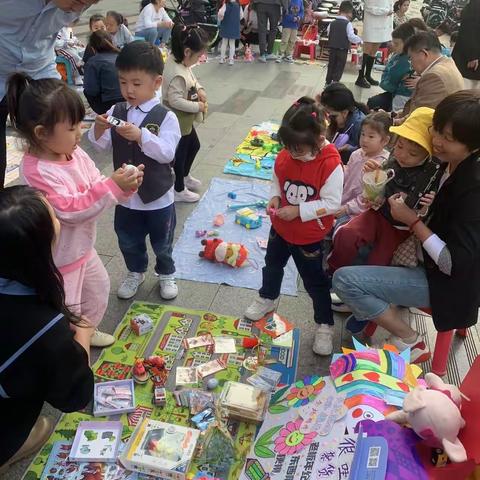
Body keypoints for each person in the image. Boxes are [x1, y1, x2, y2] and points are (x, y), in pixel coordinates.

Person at [332, 90, 480, 362]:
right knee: (355, 241)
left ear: (473, 146)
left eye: (448, 138)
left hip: (447, 282)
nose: (436, 142)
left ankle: (410, 340)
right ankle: (374, 318)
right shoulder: (442, 164)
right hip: (418, 255)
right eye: (436, 131)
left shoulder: (472, 189)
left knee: (344, 280)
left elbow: (453, 264)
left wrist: (411, 220)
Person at [8, 73, 141, 348]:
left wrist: (121, 184)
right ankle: (70, 352)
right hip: (59, 260)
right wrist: (111, 188)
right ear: (42, 134)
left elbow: (94, 181)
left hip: (82, 249)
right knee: (66, 310)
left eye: (80, 124)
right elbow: (70, 210)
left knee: (98, 291)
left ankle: (86, 333)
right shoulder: (37, 172)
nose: (79, 133)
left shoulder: (71, 151)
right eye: (72, 128)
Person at [0, 186, 94, 472]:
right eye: (54, 218)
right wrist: (84, 335)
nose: (59, 222)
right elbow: (76, 396)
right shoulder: (45, 329)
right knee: (39, 424)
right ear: (40, 247)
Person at [245, 97, 343, 356]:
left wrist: (299, 211)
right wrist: (275, 197)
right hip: (280, 228)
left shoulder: (331, 163)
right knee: (272, 264)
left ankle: (324, 324)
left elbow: (332, 204)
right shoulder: (286, 153)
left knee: (315, 282)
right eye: (288, 147)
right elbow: (277, 176)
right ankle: (267, 297)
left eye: (298, 149)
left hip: (309, 236)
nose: (292, 153)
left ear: (319, 140)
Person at [89, 41, 181, 301]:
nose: (128, 90)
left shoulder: (166, 117)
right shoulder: (116, 111)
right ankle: (135, 272)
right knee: (128, 239)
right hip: (126, 197)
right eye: (123, 82)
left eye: (136, 83)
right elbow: (100, 146)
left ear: (157, 82)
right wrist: (98, 128)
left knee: (162, 242)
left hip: (159, 196)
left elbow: (167, 153)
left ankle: (166, 273)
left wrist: (141, 136)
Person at [0, 0, 101, 188]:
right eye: (78, 1)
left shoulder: (78, 4)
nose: (79, 9)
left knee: (57, 129)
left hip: (38, 68)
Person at [328, 107, 440, 272]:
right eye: (400, 146)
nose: (402, 155)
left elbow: (424, 211)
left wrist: (425, 206)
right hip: (376, 214)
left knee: (378, 261)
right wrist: (372, 177)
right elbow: (372, 194)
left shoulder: (427, 176)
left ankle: (361, 282)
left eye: (413, 154)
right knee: (346, 235)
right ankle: (334, 269)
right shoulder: (390, 161)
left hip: (398, 228)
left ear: (427, 155)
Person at [162, 26, 209, 203]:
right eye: (198, 56)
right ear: (187, 51)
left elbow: (191, 76)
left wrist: (200, 88)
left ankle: (185, 176)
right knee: (181, 153)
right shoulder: (176, 73)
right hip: (177, 117)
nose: (199, 60)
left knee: (194, 145)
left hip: (184, 118)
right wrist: (198, 106)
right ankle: (179, 189)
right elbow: (175, 101)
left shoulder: (180, 61)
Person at [334, 112, 391, 225]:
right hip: (343, 201)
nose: (364, 140)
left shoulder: (382, 163)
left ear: (385, 141)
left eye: (371, 136)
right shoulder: (356, 154)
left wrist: (347, 208)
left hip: (359, 211)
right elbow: (346, 176)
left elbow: (370, 195)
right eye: (363, 134)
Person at [399, 31, 464, 119]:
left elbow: (419, 119)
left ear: (424, 54)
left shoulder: (434, 76)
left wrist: (392, 122)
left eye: (411, 58)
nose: (411, 65)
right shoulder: (448, 63)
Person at [367, 23, 415, 112]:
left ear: (408, 43)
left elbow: (389, 83)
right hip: (397, 93)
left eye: (396, 44)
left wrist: (386, 79)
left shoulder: (403, 61)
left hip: (402, 96)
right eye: (392, 42)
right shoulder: (398, 55)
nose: (392, 45)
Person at [319, 83, 369, 164]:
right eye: (326, 114)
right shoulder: (341, 118)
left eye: (332, 116)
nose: (328, 119)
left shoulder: (359, 125)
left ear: (345, 112)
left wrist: (349, 148)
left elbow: (367, 151)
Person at [83, 30, 124, 114]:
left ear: (92, 48)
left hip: (108, 104)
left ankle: (102, 113)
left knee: (87, 90)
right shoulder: (121, 56)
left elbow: (91, 90)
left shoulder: (93, 62)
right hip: (128, 99)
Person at [356, 0, 393, 88]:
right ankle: (360, 77)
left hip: (383, 24)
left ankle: (368, 75)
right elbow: (369, 7)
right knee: (365, 51)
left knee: (373, 52)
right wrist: (385, 12)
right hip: (372, 24)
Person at [325, 1, 362, 85]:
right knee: (339, 66)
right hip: (342, 50)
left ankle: (327, 82)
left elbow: (328, 32)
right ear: (349, 13)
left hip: (332, 49)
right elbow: (351, 37)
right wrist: (360, 40)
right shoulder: (348, 24)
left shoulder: (332, 23)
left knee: (331, 65)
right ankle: (335, 82)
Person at [452, 0, 480, 89]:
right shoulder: (476, 5)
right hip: (469, 59)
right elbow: (469, 30)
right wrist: (472, 56)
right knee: (464, 88)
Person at [218, 0, 242, 65]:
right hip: (234, 26)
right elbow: (241, 16)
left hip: (225, 25)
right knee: (232, 44)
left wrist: (220, 19)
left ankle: (222, 59)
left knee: (224, 43)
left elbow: (220, 13)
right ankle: (231, 60)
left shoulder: (226, 4)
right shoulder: (238, 5)